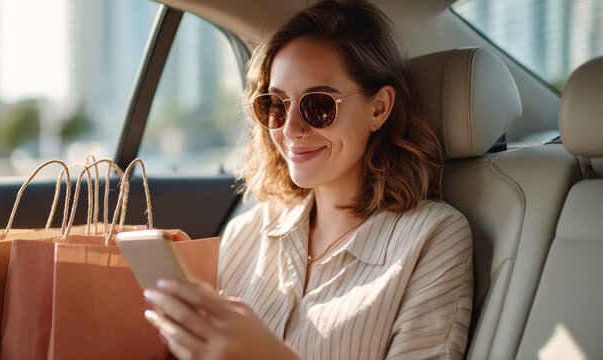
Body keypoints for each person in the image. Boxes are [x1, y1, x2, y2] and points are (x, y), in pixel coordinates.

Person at [142, 0, 473, 358]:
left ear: (378, 109)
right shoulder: (246, 233)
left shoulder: (434, 238)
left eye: (319, 106)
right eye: (276, 105)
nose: (291, 128)